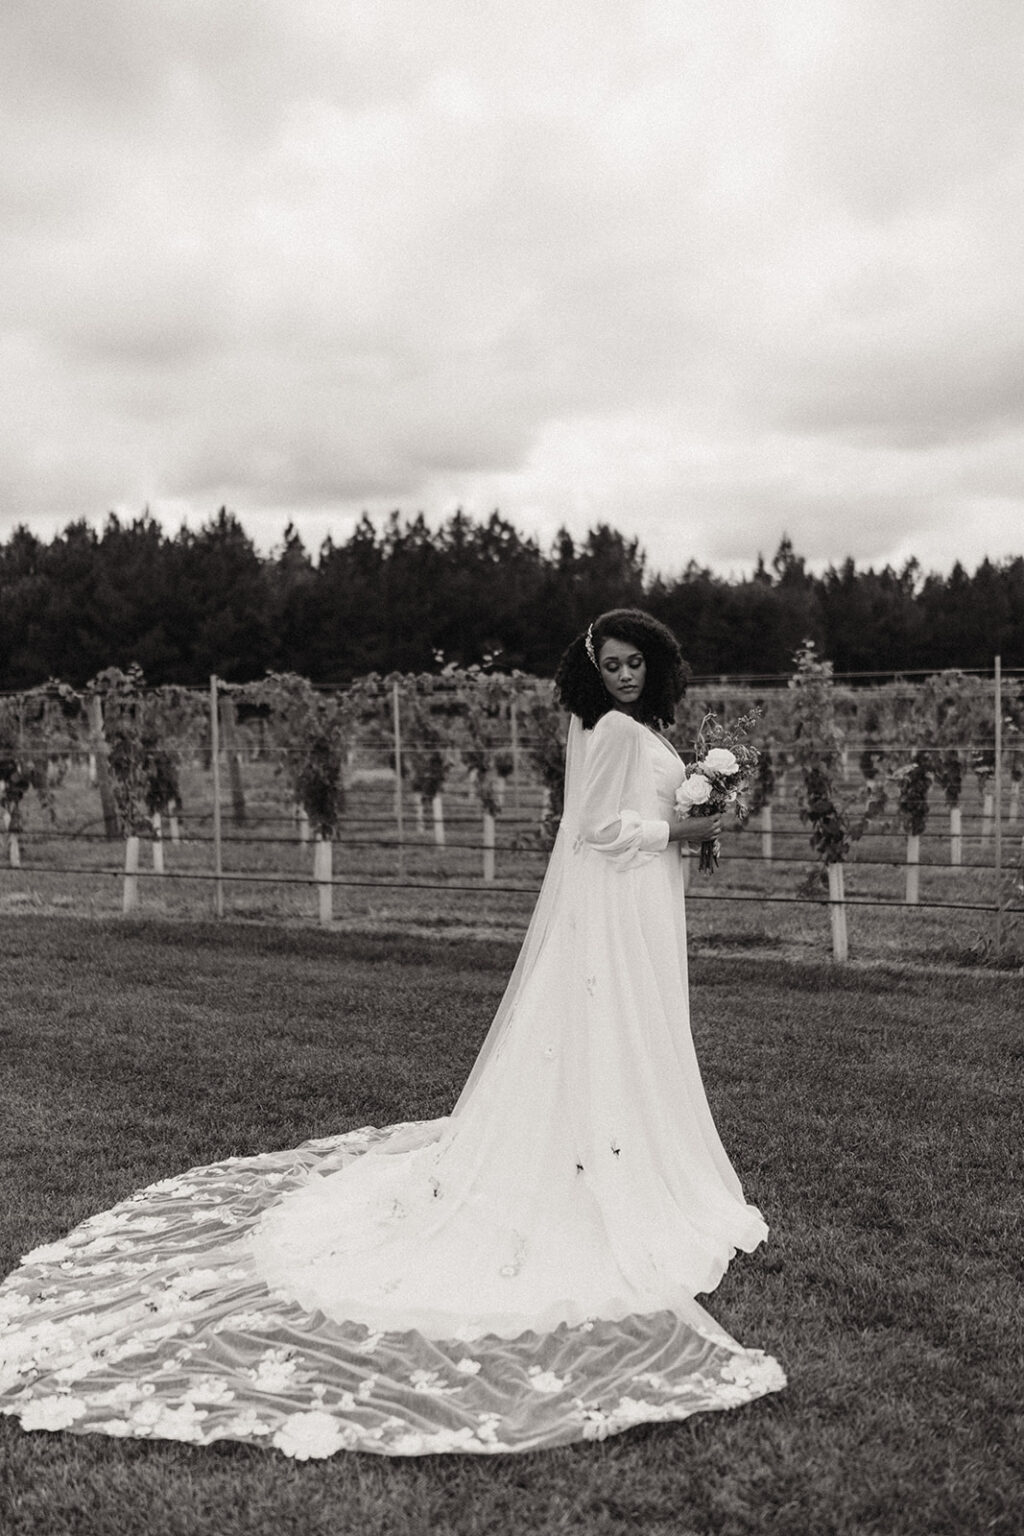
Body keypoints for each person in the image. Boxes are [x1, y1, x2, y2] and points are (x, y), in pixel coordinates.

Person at [0, 609, 784, 1458]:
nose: (625, 676)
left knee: (629, 1031)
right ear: (594, 670)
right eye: (613, 664)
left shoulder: (626, 726)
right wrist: (685, 826)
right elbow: (597, 831)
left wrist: (688, 814)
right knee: (620, 1028)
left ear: (657, 664)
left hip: (632, 905)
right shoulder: (616, 728)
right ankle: (613, 1160)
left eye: (637, 663)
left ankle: (622, 1143)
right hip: (621, 908)